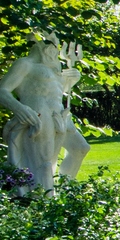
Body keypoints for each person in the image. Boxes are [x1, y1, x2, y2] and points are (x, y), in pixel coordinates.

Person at [0, 35, 89, 192]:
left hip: (60, 114)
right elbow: (2, 90)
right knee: (45, 163)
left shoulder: (54, 66)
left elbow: (56, 91)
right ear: (40, 43)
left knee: (81, 149)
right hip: (40, 114)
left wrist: (72, 80)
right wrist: (20, 109)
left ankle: (64, 192)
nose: (55, 46)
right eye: (51, 42)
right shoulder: (25, 64)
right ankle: (44, 204)